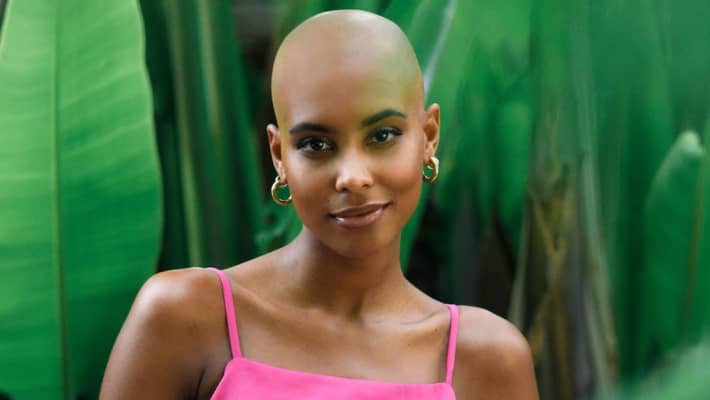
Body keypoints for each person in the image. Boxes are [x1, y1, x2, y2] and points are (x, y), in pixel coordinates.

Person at [100, 9, 538, 400]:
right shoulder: (185, 319)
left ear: (428, 136)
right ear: (279, 156)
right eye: (316, 144)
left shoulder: (487, 358)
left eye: (382, 135)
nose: (352, 176)